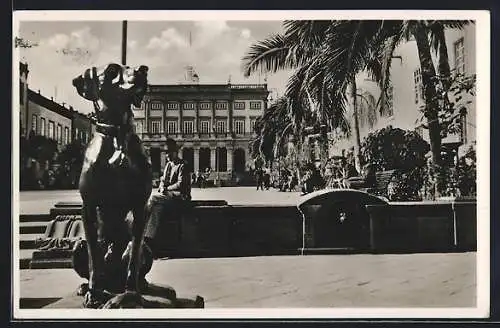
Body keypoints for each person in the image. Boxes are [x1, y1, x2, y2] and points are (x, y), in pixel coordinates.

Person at [143, 138, 191, 255]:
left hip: (180, 198)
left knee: (153, 198)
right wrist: (162, 186)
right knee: (156, 209)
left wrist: (166, 189)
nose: (167, 156)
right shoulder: (169, 165)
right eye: (166, 153)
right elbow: (163, 180)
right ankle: (148, 239)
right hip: (168, 198)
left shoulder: (183, 165)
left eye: (169, 153)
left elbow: (181, 184)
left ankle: (142, 230)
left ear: (175, 152)